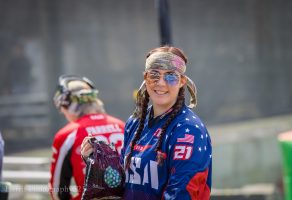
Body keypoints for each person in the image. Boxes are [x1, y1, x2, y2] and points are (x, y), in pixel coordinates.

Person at [81, 46, 212, 199]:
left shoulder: (188, 130)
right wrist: (99, 161)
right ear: (145, 78)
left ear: (182, 81)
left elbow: (182, 193)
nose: (161, 83)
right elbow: (125, 183)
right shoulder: (134, 123)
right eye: (154, 75)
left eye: (170, 76)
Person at [49, 75, 125, 200]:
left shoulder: (67, 134)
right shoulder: (123, 126)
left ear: (69, 105)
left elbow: (57, 191)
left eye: (62, 108)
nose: (62, 112)